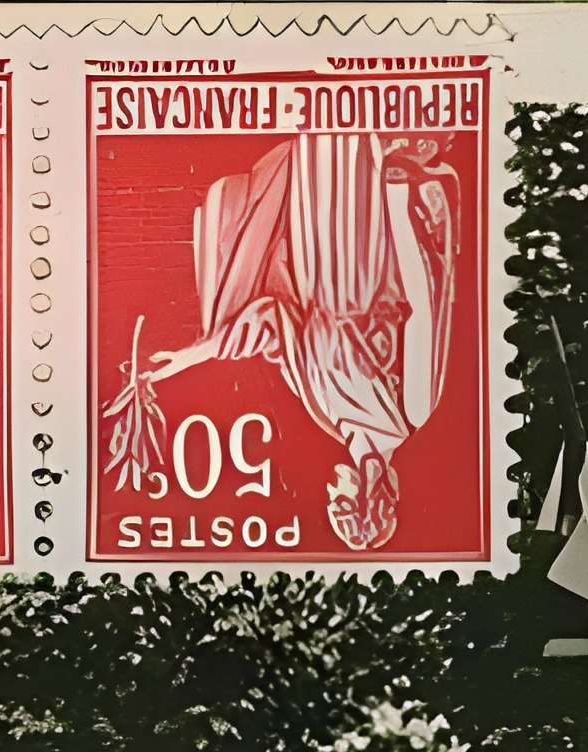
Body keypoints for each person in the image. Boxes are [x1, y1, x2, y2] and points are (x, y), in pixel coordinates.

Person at [104, 131, 459, 552]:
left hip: (313, 253)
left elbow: (275, 321)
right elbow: (423, 304)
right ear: (364, 497)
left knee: (319, 132)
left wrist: (190, 357)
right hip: (367, 245)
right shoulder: (410, 412)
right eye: (338, 500)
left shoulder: (325, 414)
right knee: (354, 127)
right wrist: (397, 199)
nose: (329, 491)